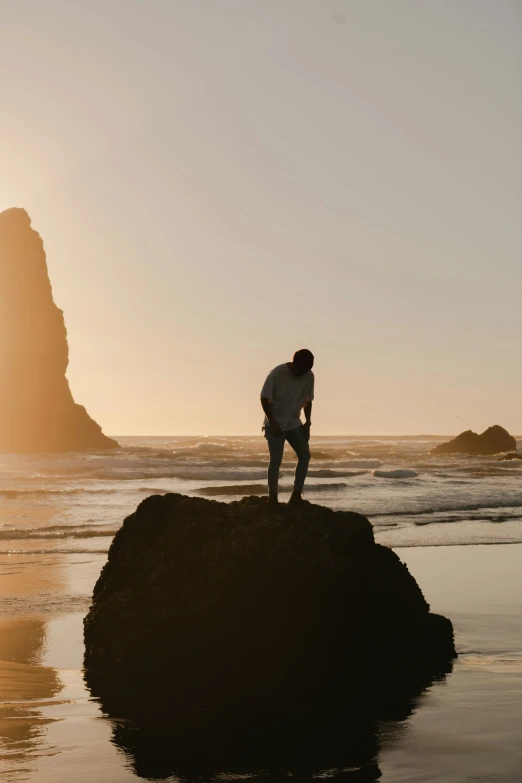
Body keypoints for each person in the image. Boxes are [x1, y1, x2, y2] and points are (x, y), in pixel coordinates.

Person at [260, 349, 314, 505]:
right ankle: (273, 498)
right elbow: (264, 398)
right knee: (276, 460)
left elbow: (308, 401)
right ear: (295, 362)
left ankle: (296, 495)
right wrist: (272, 421)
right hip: (274, 422)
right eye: (303, 369)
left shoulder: (309, 376)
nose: (304, 373)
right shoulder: (277, 373)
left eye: (308, 369)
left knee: (305, 456)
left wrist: (308, 423)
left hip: (293, 422)